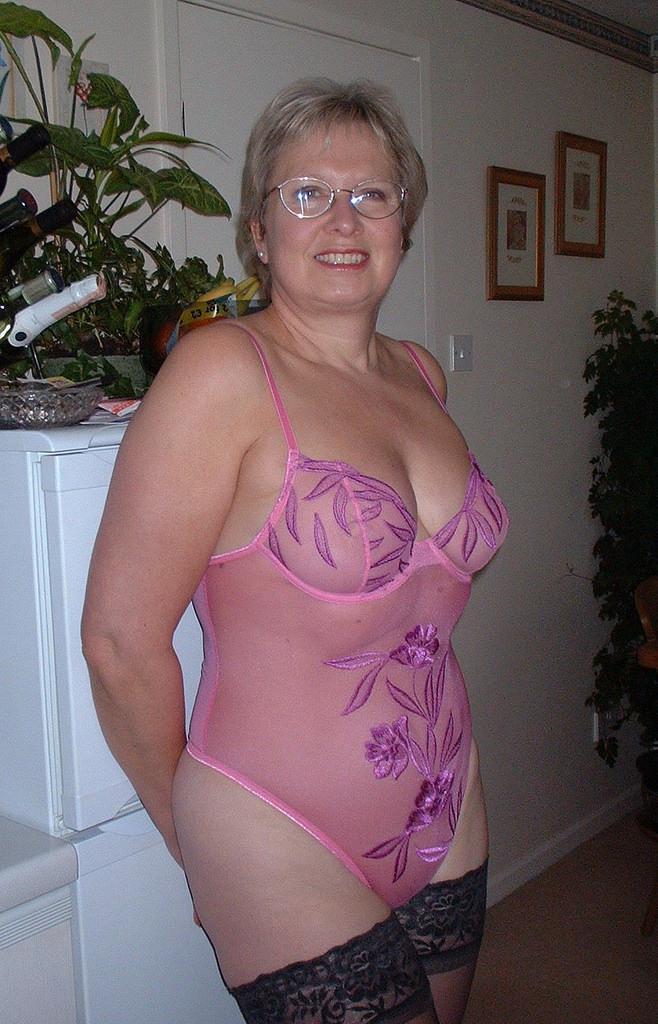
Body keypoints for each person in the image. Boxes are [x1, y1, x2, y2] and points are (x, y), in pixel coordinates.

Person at [82, 78, 508, 1024]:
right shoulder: (220, 372)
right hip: (277, 829)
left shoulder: (420, 373)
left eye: (372, 193)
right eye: (307, 192)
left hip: (449, 799)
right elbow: (118, 644)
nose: (343, 220)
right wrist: (189, 839)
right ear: (260, 231)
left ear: (404, 222)